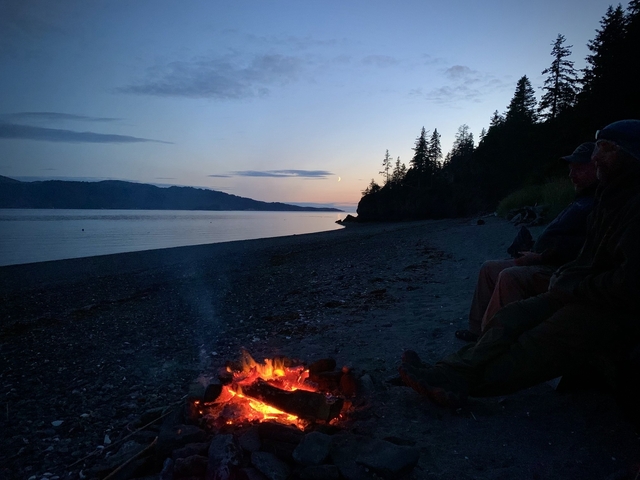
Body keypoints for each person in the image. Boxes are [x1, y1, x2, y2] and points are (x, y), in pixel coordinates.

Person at [399, 119, 640, 408]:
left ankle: (465, 384)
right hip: (580, 288)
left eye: (606, 149)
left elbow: (630, 283)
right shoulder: (609, 197)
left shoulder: (634, 206)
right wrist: (567, 276)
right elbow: (590, 255)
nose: (595, 157)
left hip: (612, 306)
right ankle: (447, 370)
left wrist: (569, 278)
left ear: (631, 155)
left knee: (539, 341)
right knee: (511, 316)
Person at [455, 142, 598, 343]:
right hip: (543, 259)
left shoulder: (598, 203)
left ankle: (490, 341)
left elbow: (583, 246)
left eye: (580, 168)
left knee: (508, 276)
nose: (571, 174)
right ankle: (477, 330)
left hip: (558, 269)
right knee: (488, 268)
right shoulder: (581, 199)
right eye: (571, 169)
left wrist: (539, 257)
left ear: (598, 167)